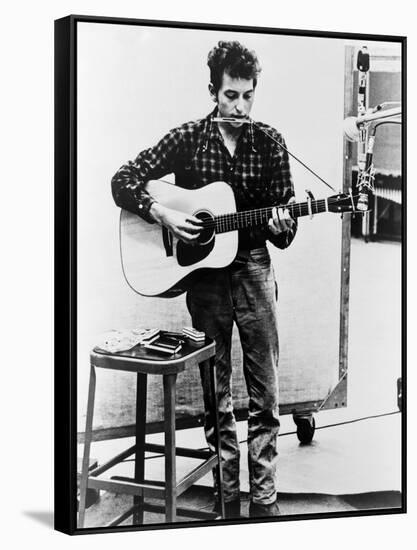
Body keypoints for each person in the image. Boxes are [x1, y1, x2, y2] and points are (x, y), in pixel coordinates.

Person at [111, 40, 297, 519]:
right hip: (207, 283)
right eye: (230, 96)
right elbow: (123, 178)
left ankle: (266, 501)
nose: (239, 107)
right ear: (213, 90)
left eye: (248, 96)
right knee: (217, 397)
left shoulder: (271, 142)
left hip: (254, 269)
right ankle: (227, 500)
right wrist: (163, 216)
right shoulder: (189, 137)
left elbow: (287, 226)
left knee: (265, 396)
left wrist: (283, 226)